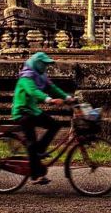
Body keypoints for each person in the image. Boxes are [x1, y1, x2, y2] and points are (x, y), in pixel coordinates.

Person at [11, 51, 73, 184]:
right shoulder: (26, 76)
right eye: (43, 64)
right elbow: (32, 91)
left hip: (33, 111)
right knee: (31, 142)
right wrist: (49, 100)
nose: (45, 67)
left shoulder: (41, 76)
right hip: (22, 112)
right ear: (37, 63)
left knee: (55, 125)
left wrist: (67, 97)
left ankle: (39, 151)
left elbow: (52, 88)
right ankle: (36, 175)